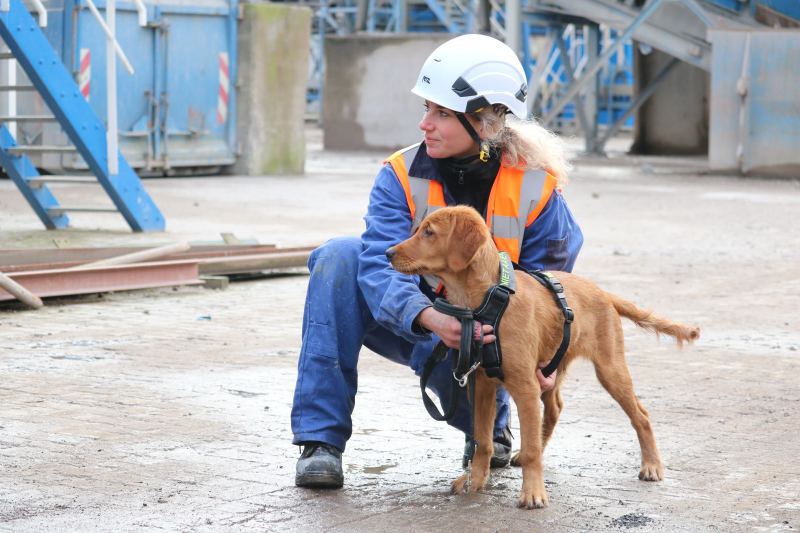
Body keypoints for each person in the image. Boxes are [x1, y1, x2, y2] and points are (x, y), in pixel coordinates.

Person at [291, 33, 583, 489]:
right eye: (426, 109)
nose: (425, 124)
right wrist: (428, 317)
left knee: (492, 354)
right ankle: (320, 442)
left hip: (488, 338)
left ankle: (487, 430)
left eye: (441, 113)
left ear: (485, 122)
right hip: (411, 318)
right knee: (339, 259)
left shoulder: (536, 188)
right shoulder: (401, 174)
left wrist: (546, 358)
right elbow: (376, 263)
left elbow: (552, 285)